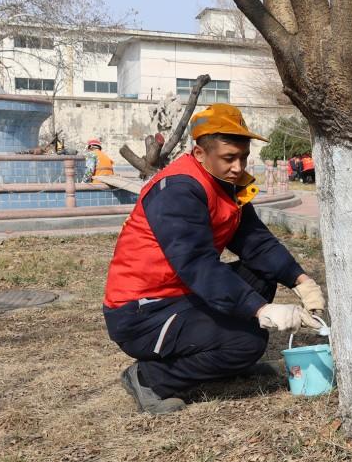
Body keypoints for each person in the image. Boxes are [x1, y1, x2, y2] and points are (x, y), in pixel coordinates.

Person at [103, 103, 327, 414]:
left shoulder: (224, 184)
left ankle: (226, 363)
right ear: (199, 154)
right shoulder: (178, 190)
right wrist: (261, 309)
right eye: (229, 158)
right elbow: (197, 265)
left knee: (261, 274)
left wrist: (301, 281)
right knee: (247, 342)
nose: (239, 167)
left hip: (180, 293)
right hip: (142, 312)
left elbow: (256, 242)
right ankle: (151, 378)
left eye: (244, 157)